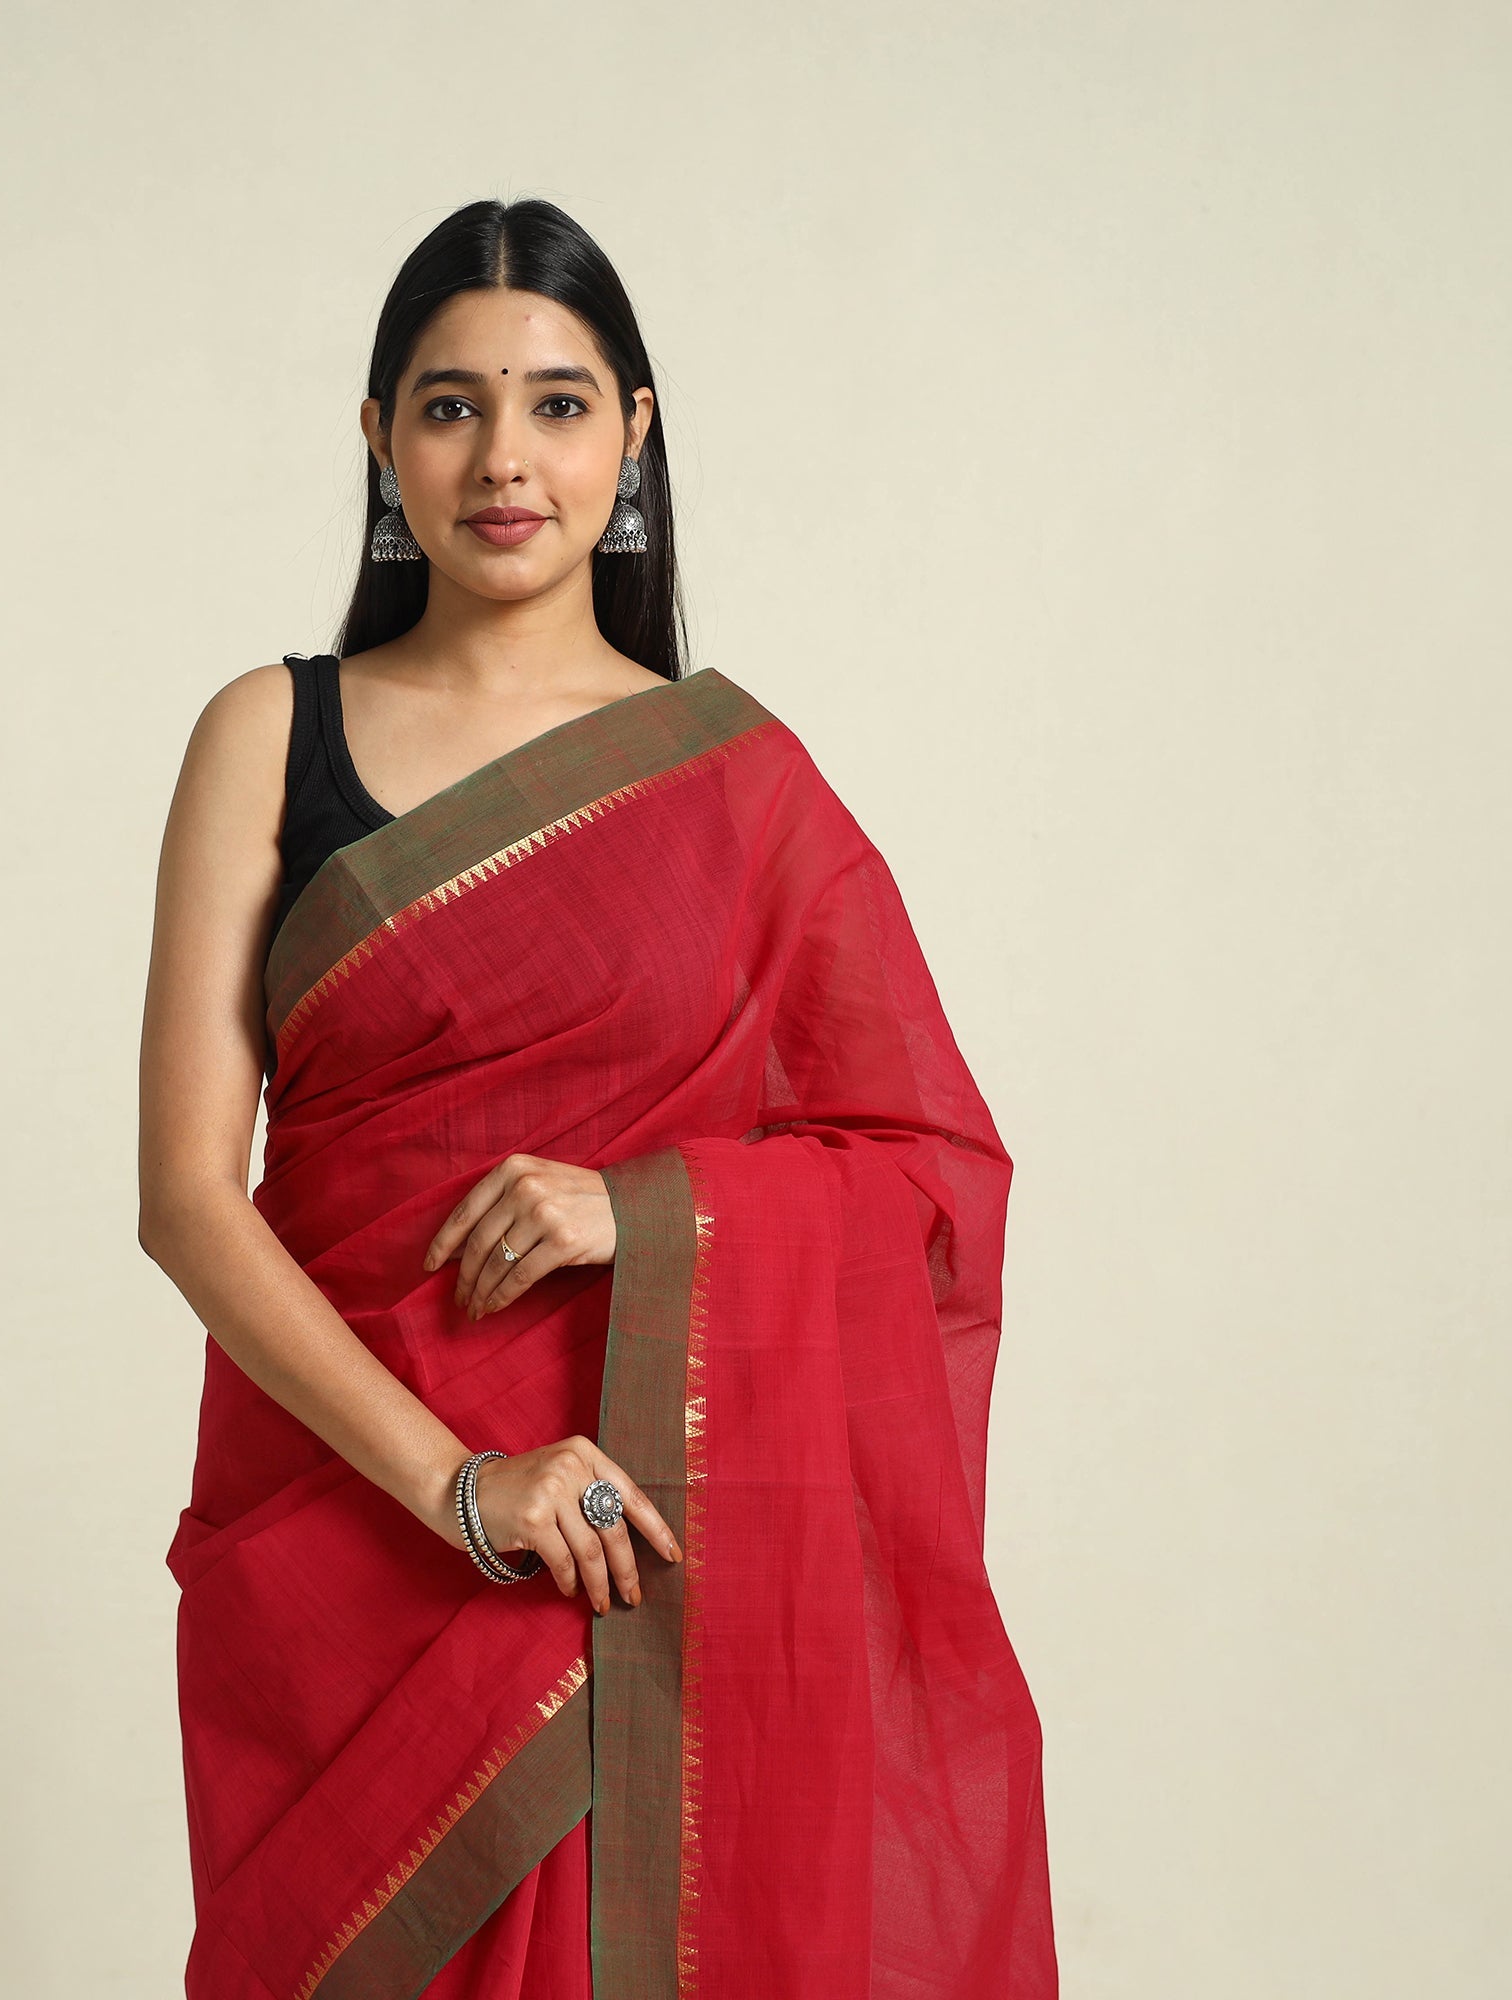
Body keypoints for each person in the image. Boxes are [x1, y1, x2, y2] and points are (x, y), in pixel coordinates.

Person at [137, 196, 1059, 1999]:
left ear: (634, 434)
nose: (505, 458)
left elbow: (927, 1170)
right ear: (379, 437)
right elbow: (186, 1197)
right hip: (345, 1534)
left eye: (558, 405)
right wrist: (461, 1485)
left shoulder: (741, 785)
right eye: (451, 405)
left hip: (626, 1545)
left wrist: (638, 1207)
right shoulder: (268, 731)